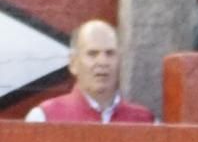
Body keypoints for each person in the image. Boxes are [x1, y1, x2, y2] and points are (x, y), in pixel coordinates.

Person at [25, 20, 154, 123]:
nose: (103, 62)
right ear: (74, 64)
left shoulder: (145, 121)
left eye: (110, 53)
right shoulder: (44, 118)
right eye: (92, 54)